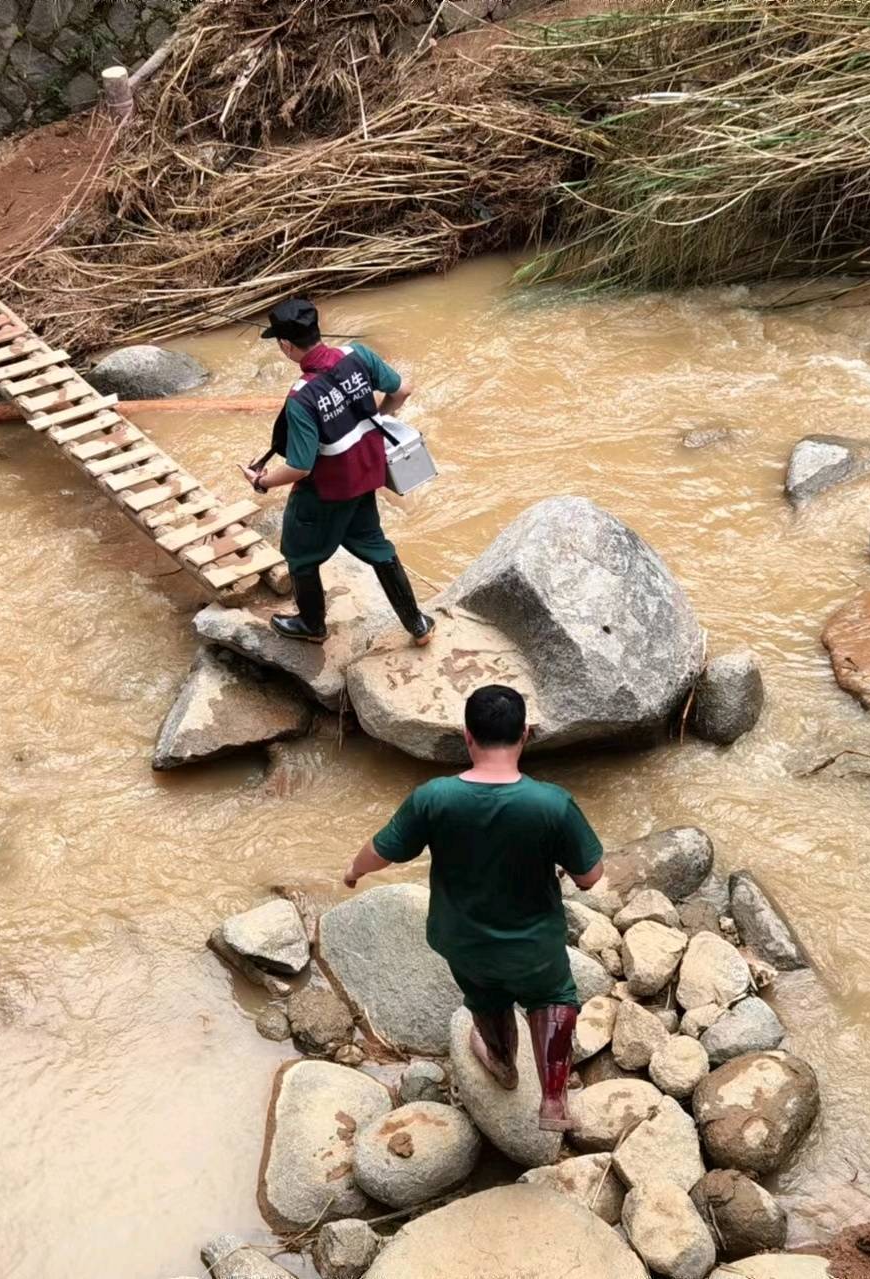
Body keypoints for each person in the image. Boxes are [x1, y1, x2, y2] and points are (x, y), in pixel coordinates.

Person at [341, 684, 605, 1131]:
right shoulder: (552, 804)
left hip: (463, 940)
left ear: (467, 736)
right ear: (525, 733)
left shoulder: (434, 797)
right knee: (554, 996)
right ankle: (554, 1101)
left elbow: (382, 850)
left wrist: (353, 871)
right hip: (534, 947)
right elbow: (591, 876)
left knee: (485, 996)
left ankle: (502, 1063)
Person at [242, 298, 434, 647]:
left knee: (298, 552)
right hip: (367, 476)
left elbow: (300, 466)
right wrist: (375, 417)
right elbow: (401, 390)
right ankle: (417, 623)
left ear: (286, 346)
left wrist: (261, 481)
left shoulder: (301, 398)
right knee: (375, 545)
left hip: (327, 492)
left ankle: (312, 624)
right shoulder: (357, 355)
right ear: (317, 329)